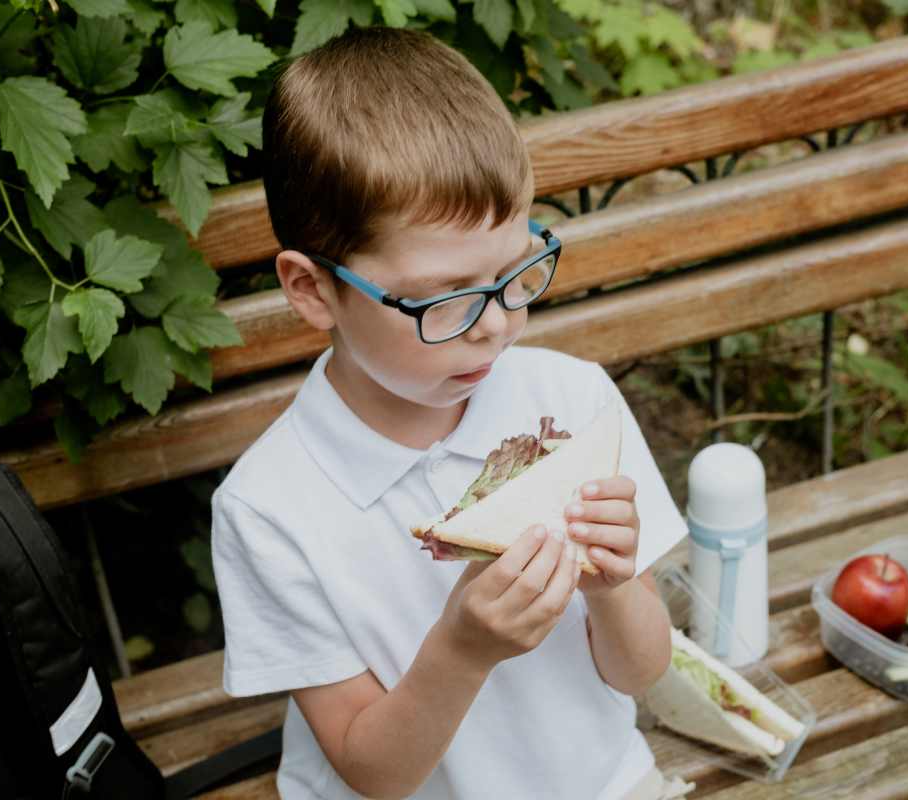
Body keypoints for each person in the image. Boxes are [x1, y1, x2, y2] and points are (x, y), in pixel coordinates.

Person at [211, 25, 691, 800]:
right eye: (443, 298)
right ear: (311, 291)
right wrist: (462, 649)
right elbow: (373, 771)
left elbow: (642, 673)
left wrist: (611, 586)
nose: (496, 323)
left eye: (514, 275)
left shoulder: (572, 402)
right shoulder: (269, 509)